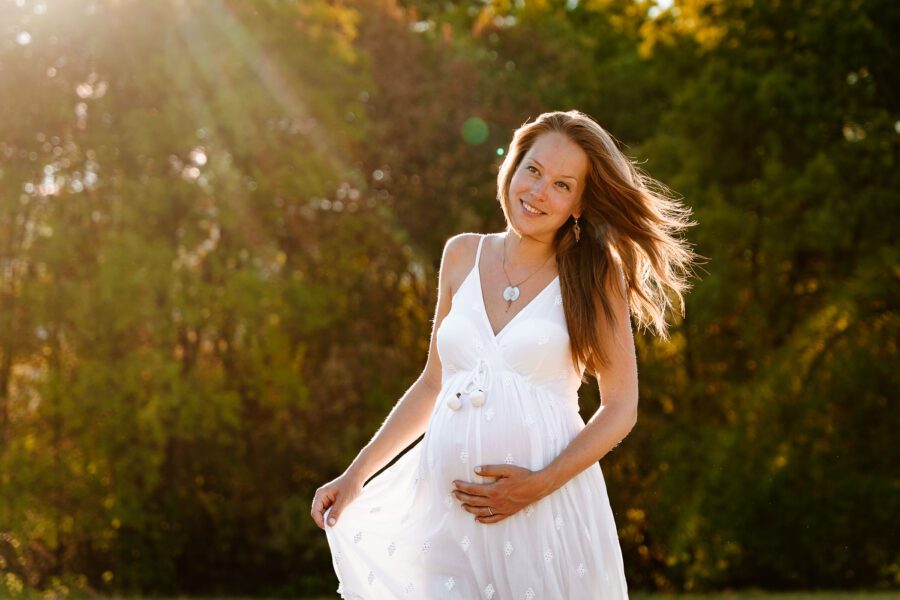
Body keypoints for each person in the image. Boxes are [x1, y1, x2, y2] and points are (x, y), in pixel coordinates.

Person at [311, 110, 697, 599]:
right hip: (446, 513)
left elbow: (621, 408)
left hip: (544, 511)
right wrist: (356, 475)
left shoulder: (593, 276)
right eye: (532, 171)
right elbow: (434, 383)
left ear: (578, 204)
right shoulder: (461, 255)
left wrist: (536, 485)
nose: (537, 193)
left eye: (561, 185)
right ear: (512, 168)